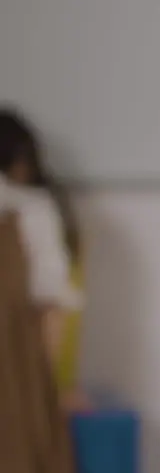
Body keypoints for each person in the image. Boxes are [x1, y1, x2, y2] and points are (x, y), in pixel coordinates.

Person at [0, 109, 87, 411]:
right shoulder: (34, 210)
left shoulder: (30, 211)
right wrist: (51, 388)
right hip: (19, 382)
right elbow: (53, 308)